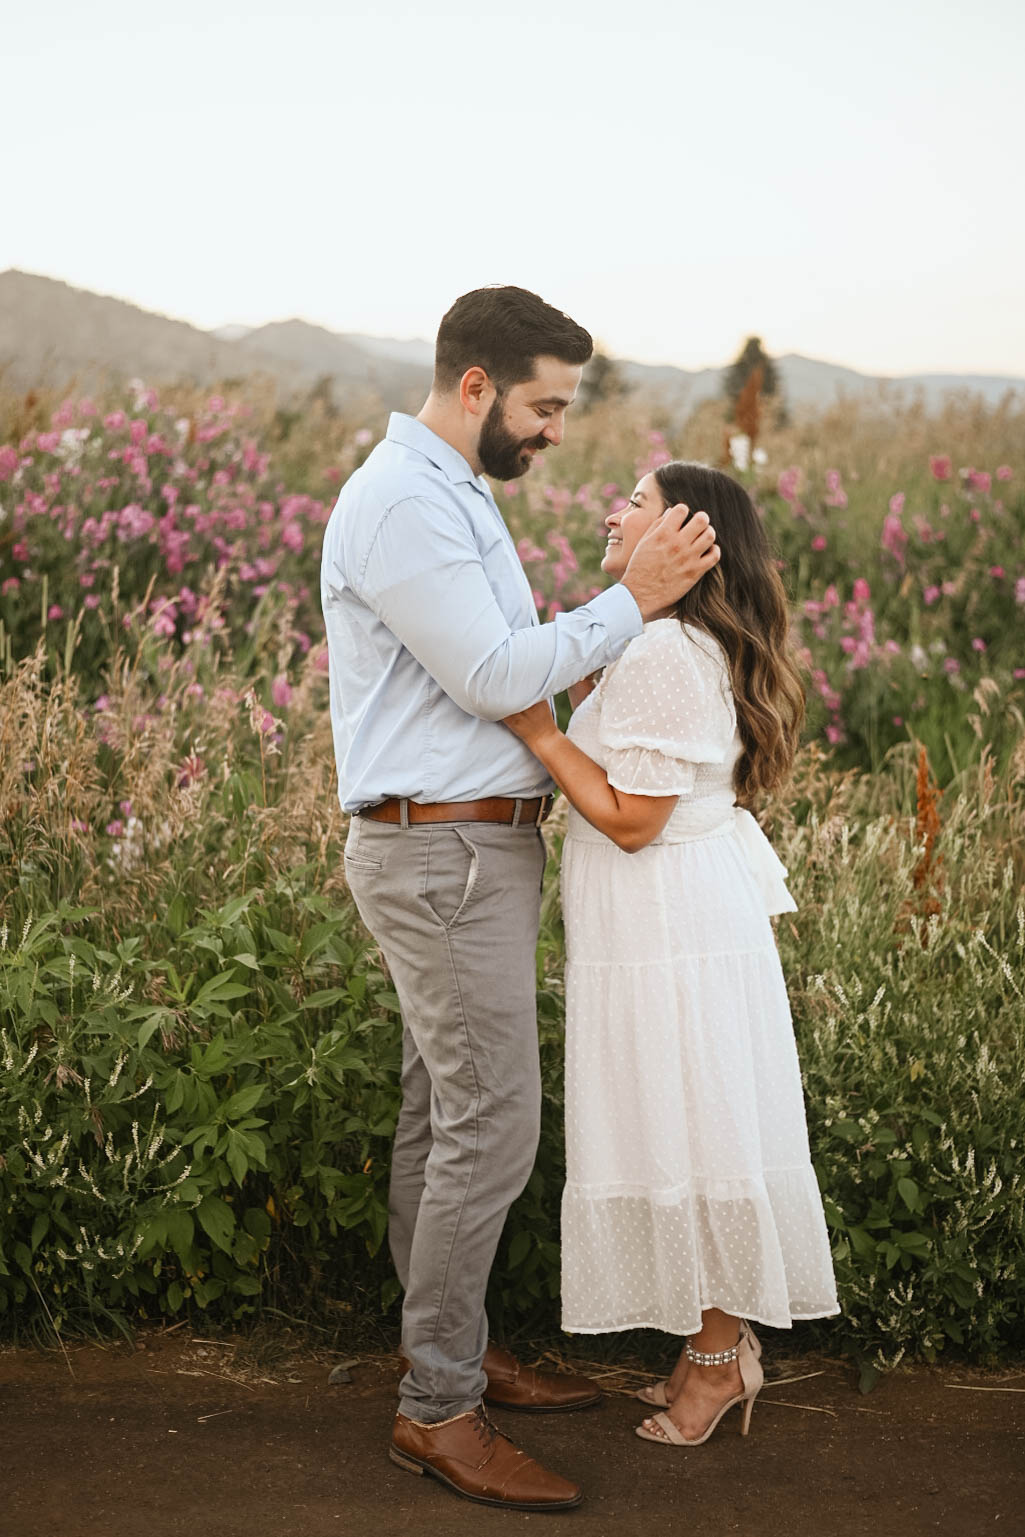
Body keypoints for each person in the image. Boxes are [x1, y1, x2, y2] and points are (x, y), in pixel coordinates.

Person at [320, 287, 721, 1511]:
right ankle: (437, 1407)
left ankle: (453, 1350)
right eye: (544, 405)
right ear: (479, 385)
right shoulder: (400, 502)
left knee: (442, 1118)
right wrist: (632, 602)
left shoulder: (454, 496)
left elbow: (502, 676)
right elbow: (497, 673)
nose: (554, 432)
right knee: (491, 1125)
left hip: (464, 848)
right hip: (439, 854)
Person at [501, 460, 839, 1450]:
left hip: (667, 929)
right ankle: (714, 1345)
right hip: (668, 926)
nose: (611, 509)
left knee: (692, 1129)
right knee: (687, 1123)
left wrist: (537, 731)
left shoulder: (660, 653)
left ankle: (717, 1358)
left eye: (635, 501)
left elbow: (631, 819)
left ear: (689, 538)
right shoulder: (670, 641)